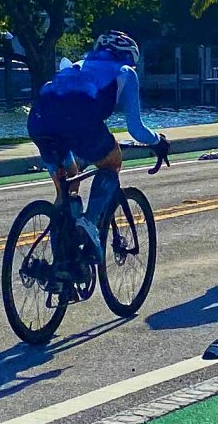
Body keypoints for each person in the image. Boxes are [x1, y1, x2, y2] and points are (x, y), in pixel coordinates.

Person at [29, 29, 170, 259]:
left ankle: (62, 267)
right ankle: (90, 222)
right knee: (111, 161)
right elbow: (136, 128)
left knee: (65, 194)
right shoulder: (125, 72)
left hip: (39, 120)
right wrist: (158, 142)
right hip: (80, 121)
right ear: (129, 57)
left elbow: (62, 102)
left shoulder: (76, 65)